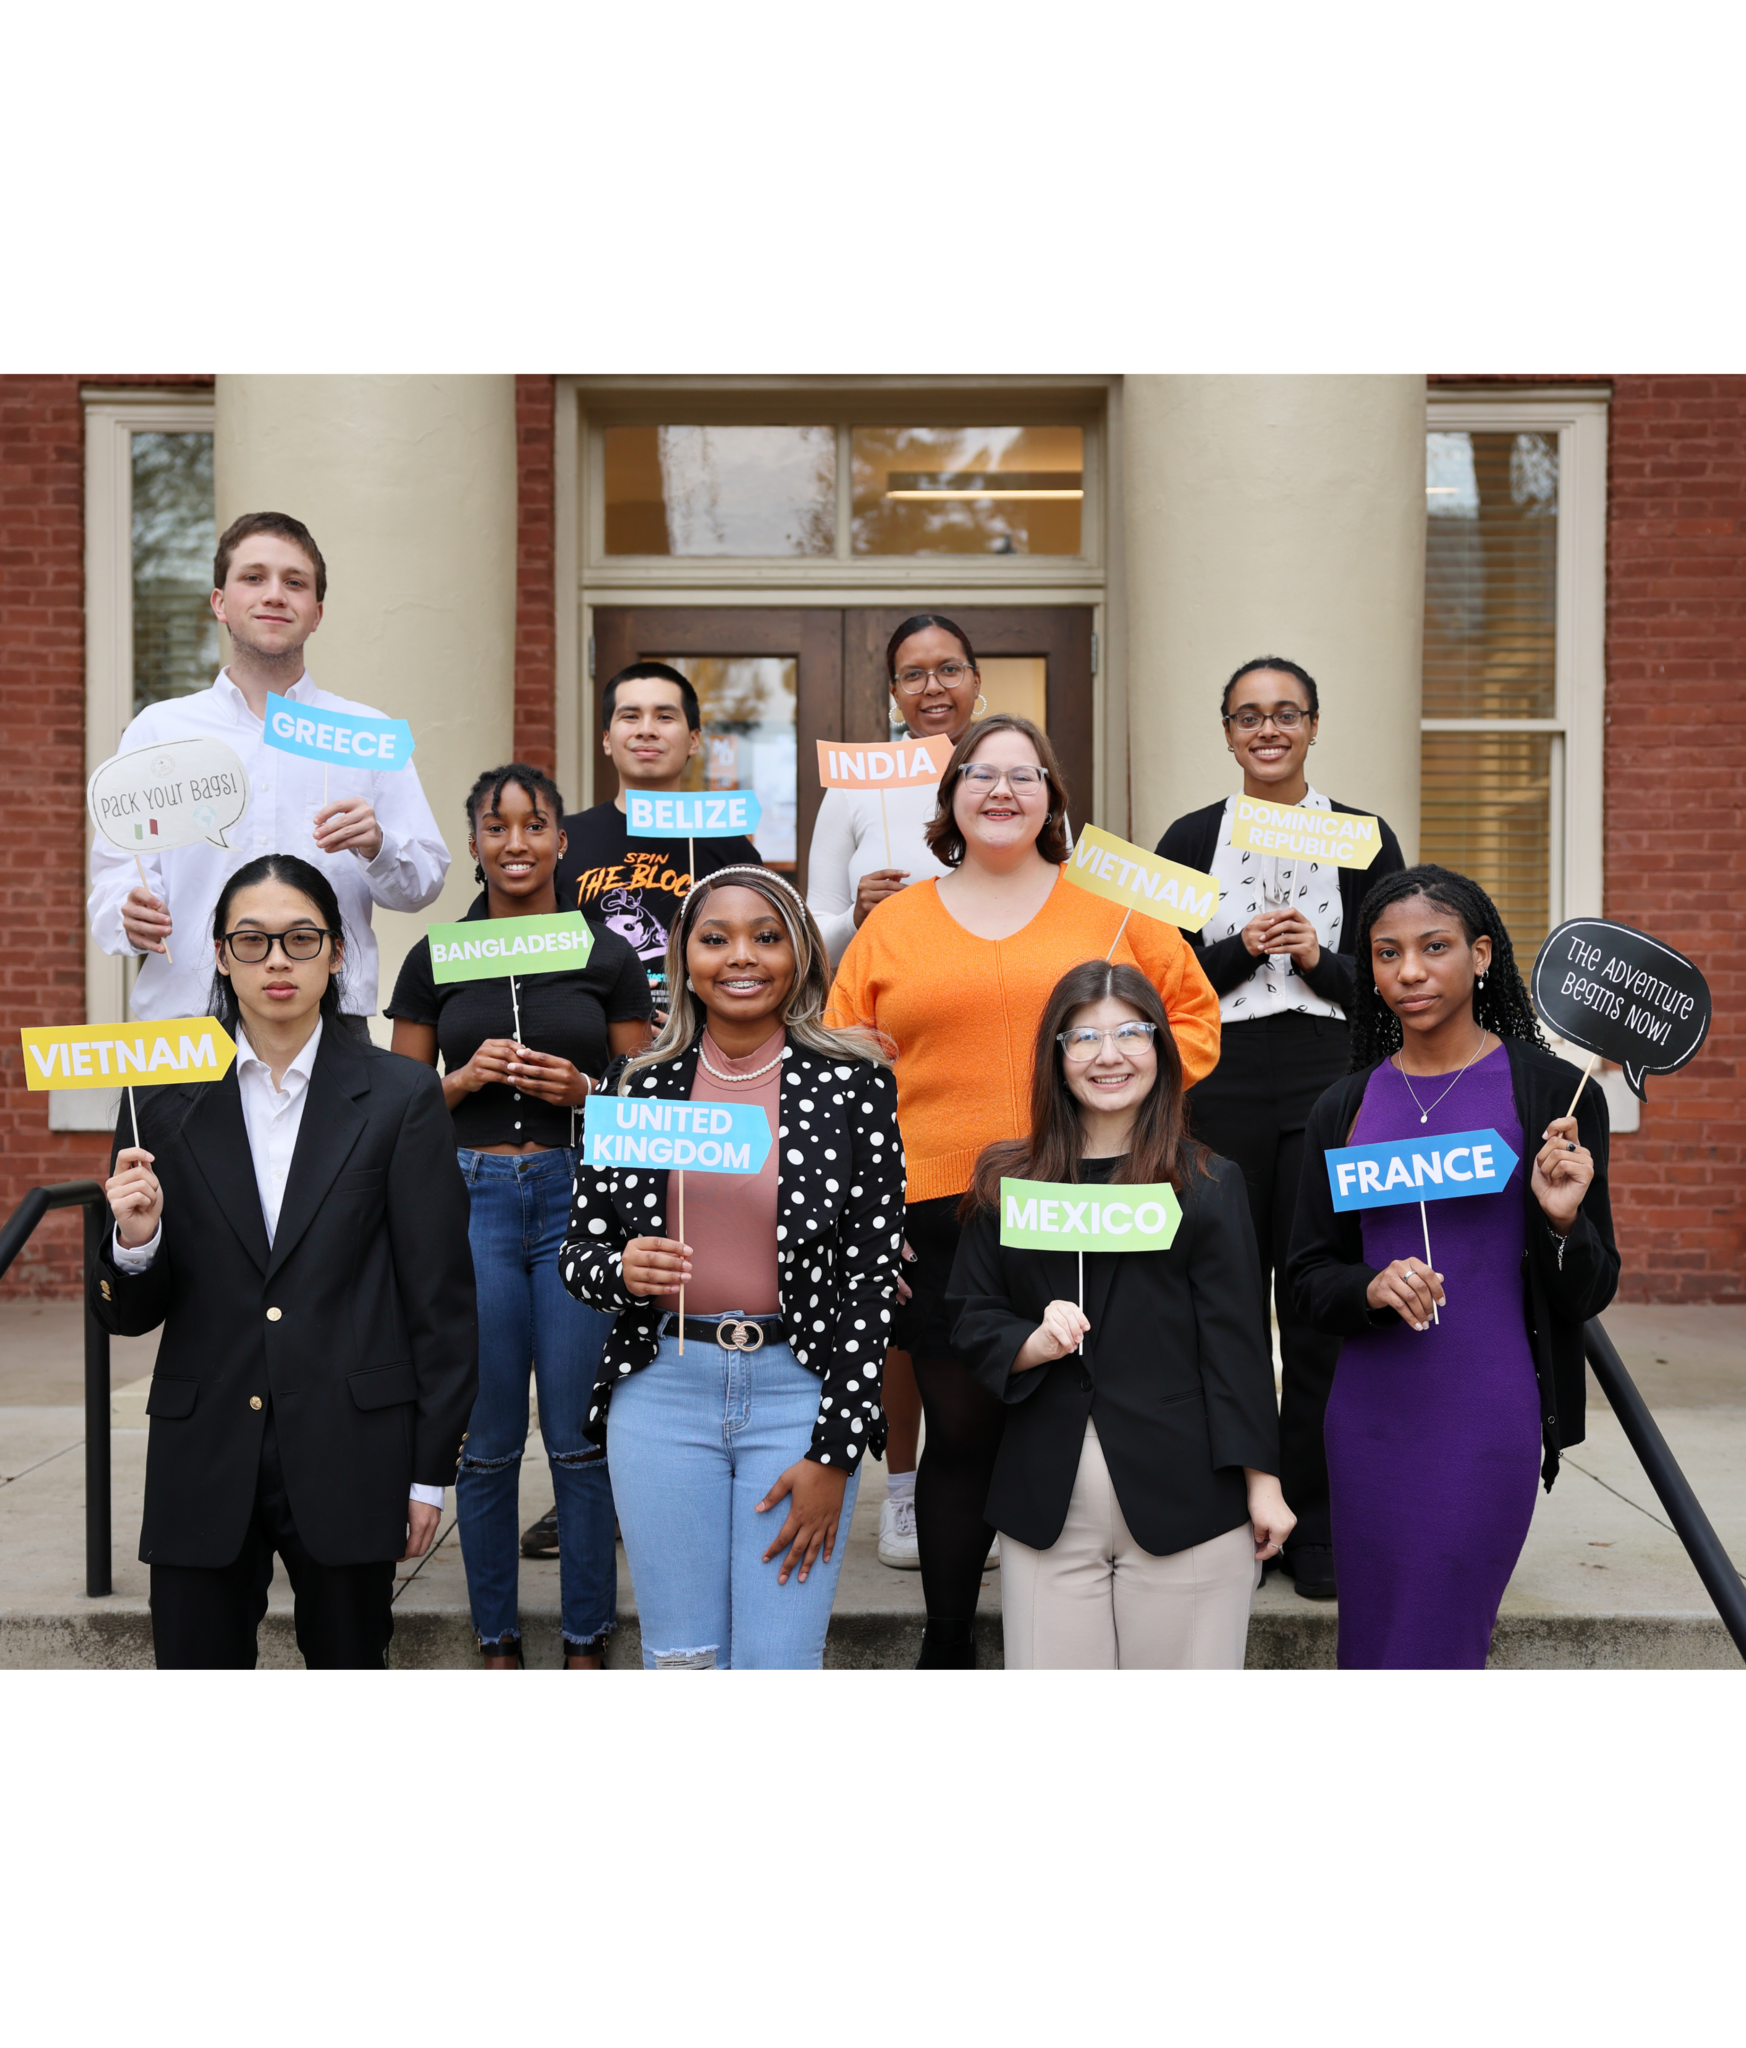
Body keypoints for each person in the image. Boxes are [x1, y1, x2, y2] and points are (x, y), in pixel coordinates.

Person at [827, 714, 1221, 1669]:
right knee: (963, 1431)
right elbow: (836, 1052)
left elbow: (1195, 1024)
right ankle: (950, 1640)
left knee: (1080, 1418)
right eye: (981, 774)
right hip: (938, 1205)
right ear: (950, 796)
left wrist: (1131, 1098)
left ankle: (1095, 1619)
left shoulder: (1118, 913)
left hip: (1091, 1201)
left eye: (1024, 774)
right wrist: (857, 1056)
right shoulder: (894, 922)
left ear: (1053, 798)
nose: (1002, 790)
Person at [91, 854, 476, 1670]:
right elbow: (125, 1313)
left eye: (301, 939)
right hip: (205, 1451)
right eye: (253, 940)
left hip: (351, 1450)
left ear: (338, 953)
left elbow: (440, 1304)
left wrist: (425, 1474)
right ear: (220, 954)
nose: (277, 961)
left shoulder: (401, 1096)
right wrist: (136, 1240)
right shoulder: (158, 1101)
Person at [559, 867, 904, 1671]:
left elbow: (870, 1282)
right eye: (715, 939)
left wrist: (835, 1451)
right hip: (662, 1394)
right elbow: (579, 1255)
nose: (740, 957)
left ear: (800, 957)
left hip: (798, 1396)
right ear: (684, 960)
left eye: (766, 936)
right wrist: (622, 1270)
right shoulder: (637, 1086)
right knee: (681, 1658)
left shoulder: (855, 1084)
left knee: (777, 1661)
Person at [1288, 866, 1619, 1671]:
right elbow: (1304, 1276)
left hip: (1489, 1413)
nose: (1407, 972)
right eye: (1386, 953)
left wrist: (1562, 1219)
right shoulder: (1344, 1106)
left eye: (1433, 948)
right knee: (1371, 1641)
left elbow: (1589, 1288)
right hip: (1369, 1418)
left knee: (1441, 1633)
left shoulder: (1552, 1094)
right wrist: (1366, 1286)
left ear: (1479, 956)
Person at [948, 962, 1292, 1669]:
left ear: (1162, 1048)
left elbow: (1238, 1347)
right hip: (1045, 1507)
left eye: (1132, 1033)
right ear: (1056, 1056)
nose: (1110, 1055)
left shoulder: (1207, 1184)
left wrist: (1266, 1485)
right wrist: (1032, 1342)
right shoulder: (1004, 1181)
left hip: (1190, 1501)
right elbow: (970, 1317)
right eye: (1085, 1039)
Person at [387, 765, 651, 1669]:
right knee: (489, 1438)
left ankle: (586, 1640)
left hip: (578, 1197)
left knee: (580, 1437)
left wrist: (585, 1091)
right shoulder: (435, 957)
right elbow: (397, 1105)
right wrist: (457, 1084)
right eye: (496, 828)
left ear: (560, 841)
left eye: (534, 824)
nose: (516, 842)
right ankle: (495, 1641)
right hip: (472, 1201)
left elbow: (645, 1100)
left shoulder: (605, 955)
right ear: (473, 847)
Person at [1156, 655, 1405, 1602]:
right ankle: (1230, 1518)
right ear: (1225, 731)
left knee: (1314, 1310)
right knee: (1217, 1302)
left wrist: (1319, 959)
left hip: (1328, 1081)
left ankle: (1317, 1527)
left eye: (1286, 713)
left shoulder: (1362, 837)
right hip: (1216, 1086)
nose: (1268, 729)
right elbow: (1161, 982)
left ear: (1312, 726)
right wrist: (1237, 951)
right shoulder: (1188, 837)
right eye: (1248, 715)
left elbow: (1393, 974)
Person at [88, 511, 449, 1031]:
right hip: (188, 1013)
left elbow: (424, 884)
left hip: (328, 1020)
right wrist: (127, 912)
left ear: (317, 612)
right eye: (253, 577)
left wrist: (379, 845)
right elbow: (114, 878)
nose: (275, 594)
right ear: (220, 602)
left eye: (294, 582)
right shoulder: (159, 731)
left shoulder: (366, 733)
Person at [806, 612, 984, 1570]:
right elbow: (810, 935)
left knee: (984, 1283)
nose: (932, 688)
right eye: (912, 674)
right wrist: (853, 915)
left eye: (948, 669)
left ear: (976, 683)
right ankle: (906, 1489)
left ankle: (982, 1470)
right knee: (899, 1289)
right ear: (891, 692)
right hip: (881, 1072)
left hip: (983, 1073)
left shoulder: (1006, 777)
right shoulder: (852, 792)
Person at [554, 663, 762, 1019]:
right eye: (630, 716)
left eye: (665, 717)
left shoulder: (730, 847)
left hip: (704, 1042)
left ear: (694, 739)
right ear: (606, 738)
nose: (646, 730)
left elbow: (760, 949)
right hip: (589, 1046)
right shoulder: (561, 841)